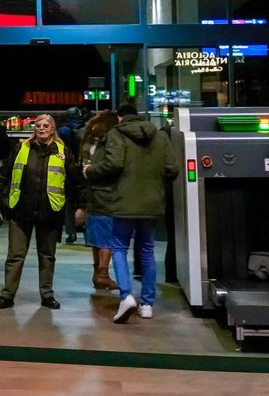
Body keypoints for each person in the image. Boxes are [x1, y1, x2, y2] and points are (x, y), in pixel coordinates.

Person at [85, 104, 179, 323]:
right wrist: (156, 184)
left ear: (119, 117)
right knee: (147, 251)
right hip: (152, 202)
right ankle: (147, 304)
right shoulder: (160, 136)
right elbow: (172, 168)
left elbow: (113, 164)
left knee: (118, 247)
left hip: (124, 202)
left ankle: (126, 295)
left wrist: (90, 171)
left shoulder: (116, 134)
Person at [0, 113, 79, 310]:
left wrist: (81, 207)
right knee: (15, 255)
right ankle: (7, 295)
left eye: (46, 125)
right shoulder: (20, 149)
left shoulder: (64, 153)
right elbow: (3, 175)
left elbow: (75, 181)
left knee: (47, 255)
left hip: (50, 212)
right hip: (21, 211)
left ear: (53, 129)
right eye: (38, 125)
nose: (41, 128)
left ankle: (47, 295)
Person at [77, 111, 120, 291]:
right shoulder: (108, 140)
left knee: (96, 236)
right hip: (107, 193)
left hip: (91, 193)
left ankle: (98, 273)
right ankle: (103, 274)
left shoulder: (87, 139)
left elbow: (83, 166)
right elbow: (111, 166)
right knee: (107, 237)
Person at [58, 107, 85, 243]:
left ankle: (71, 232)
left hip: (66, 169)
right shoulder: (85, 130)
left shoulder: (62, 131)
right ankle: (87, 233)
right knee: (84, 200)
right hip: (83, 168)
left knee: (68, 202)